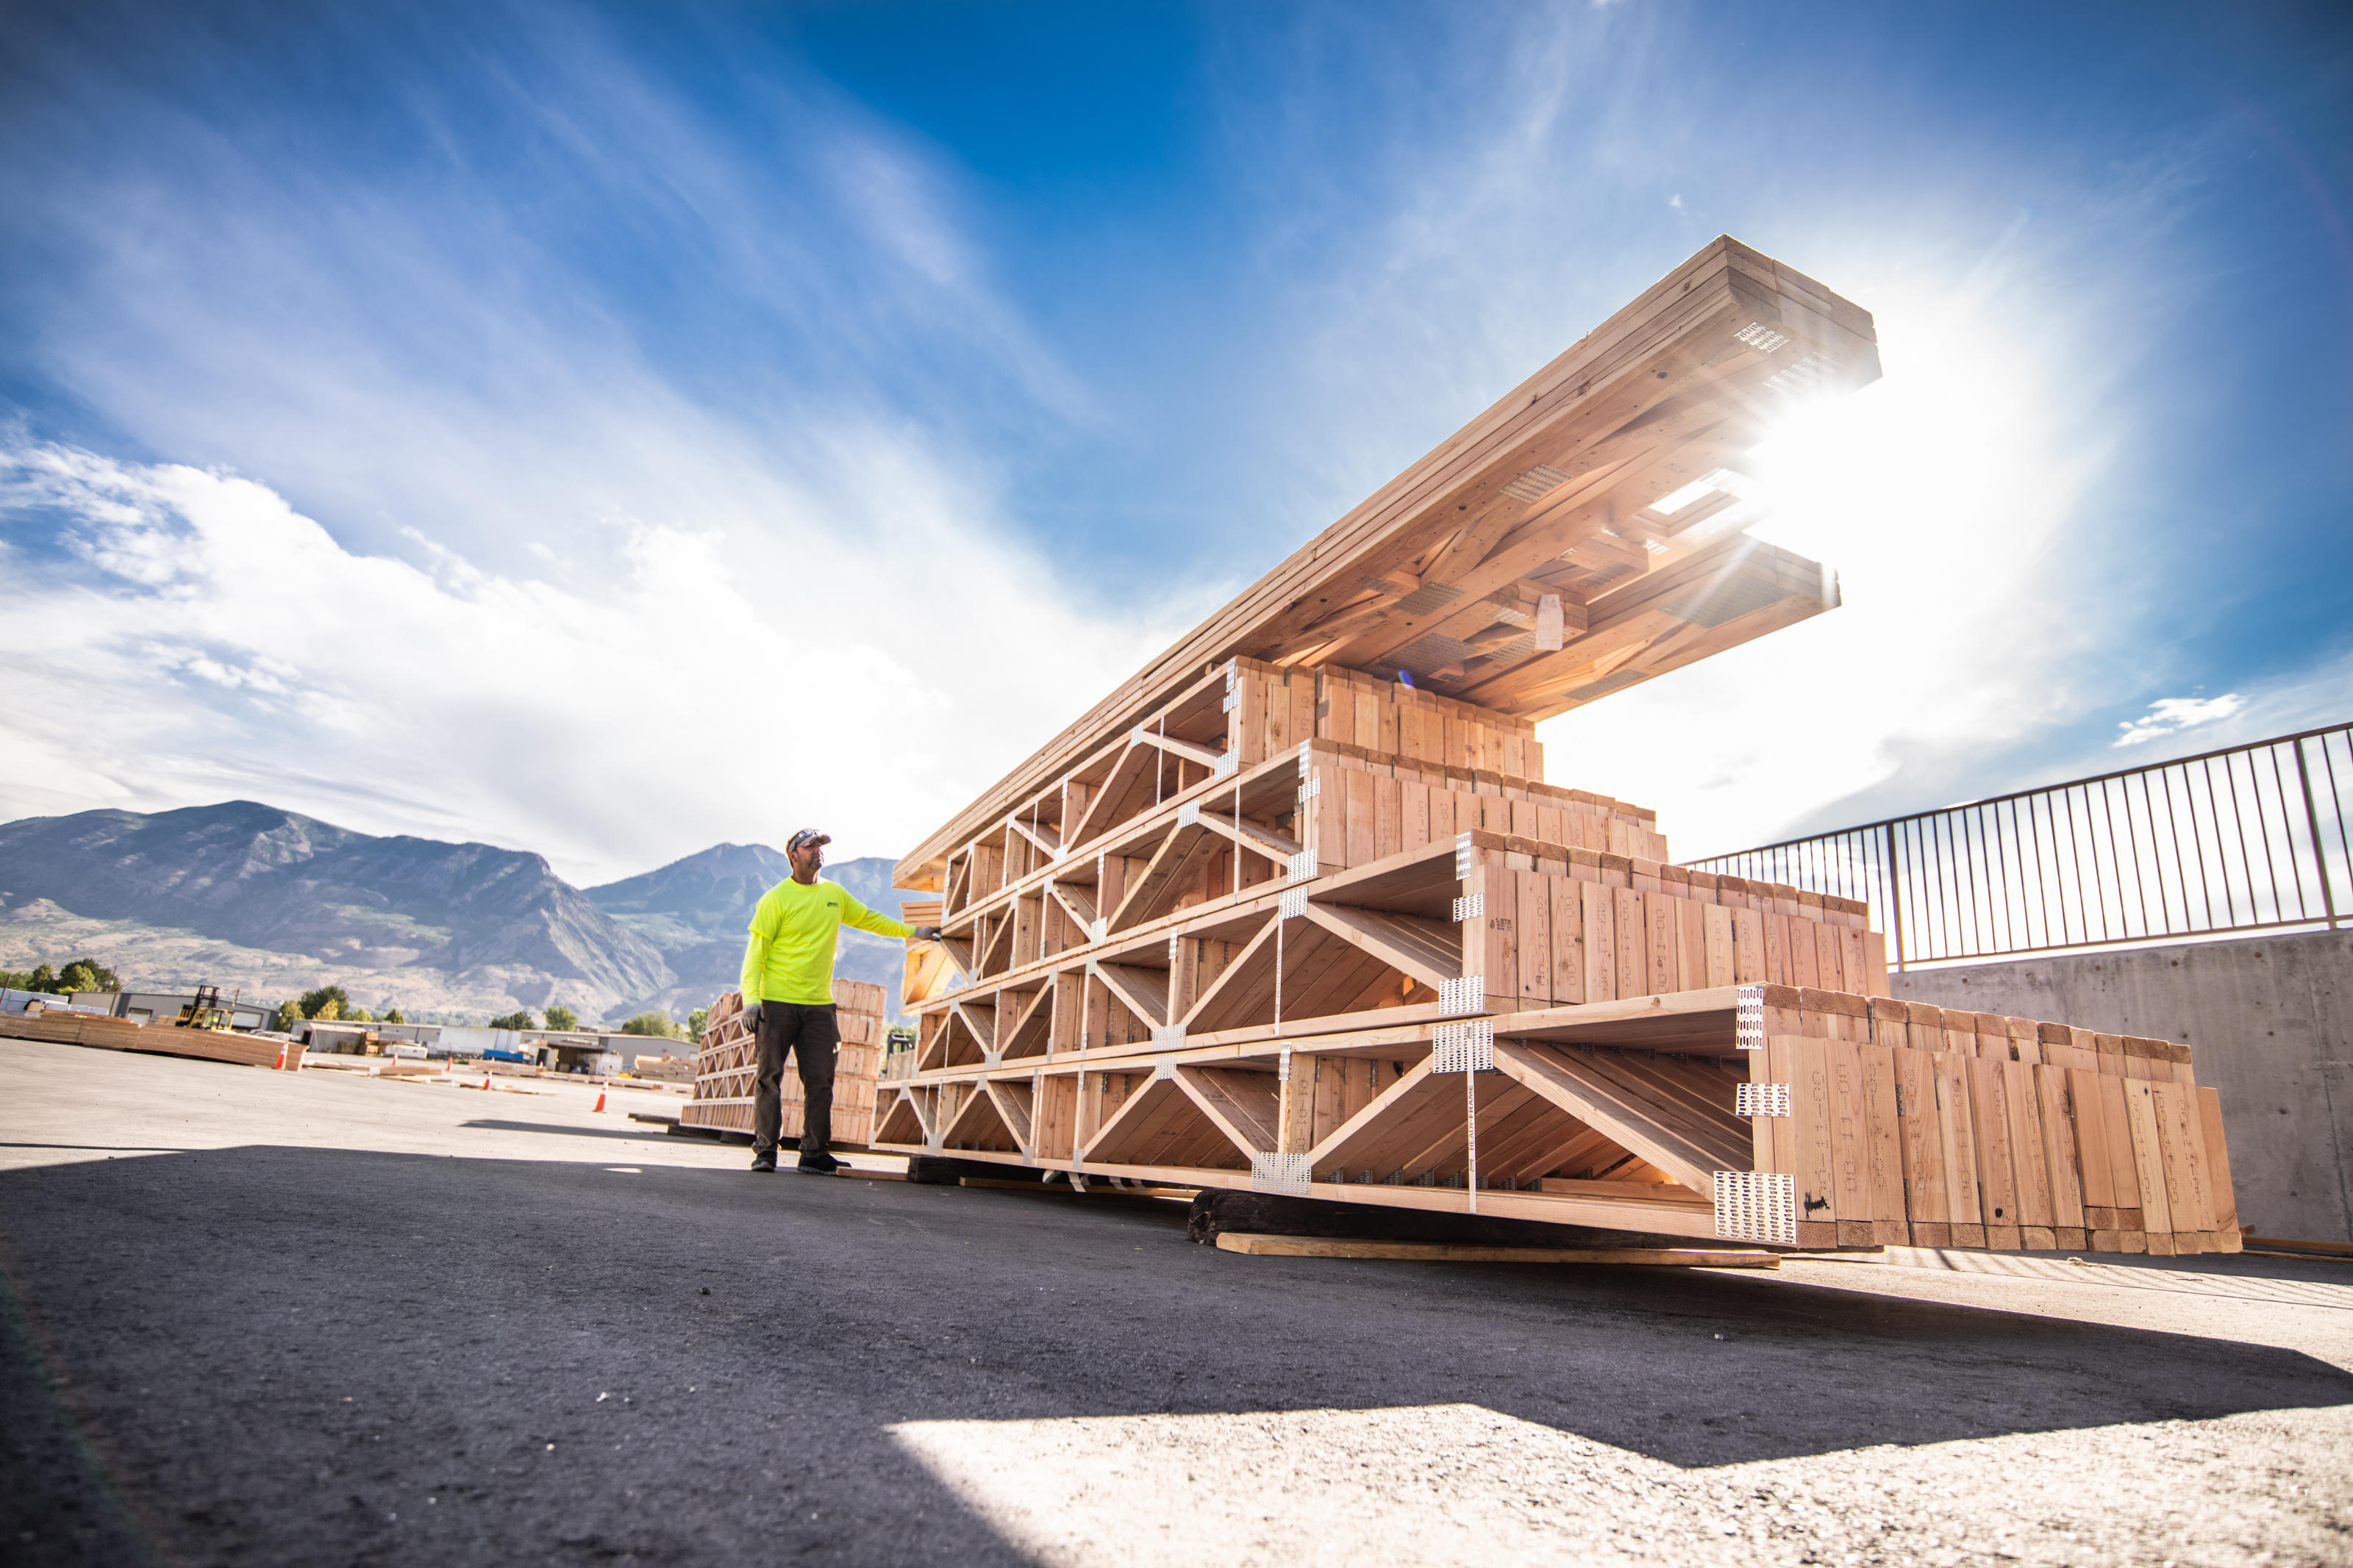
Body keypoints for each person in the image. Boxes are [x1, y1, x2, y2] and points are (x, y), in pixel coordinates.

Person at [740, 829, 940, 1173]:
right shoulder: (776, 899)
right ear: (793, 855)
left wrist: (913, 933)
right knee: (768, 1079)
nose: (818, 851)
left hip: (819, 1005)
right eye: (810, 846)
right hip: (776, 1003)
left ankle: (814, 1154)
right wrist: (751, 999)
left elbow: (869, 919)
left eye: (821, 846)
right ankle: (765, 1152)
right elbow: (755, 955)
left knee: (821, 1081)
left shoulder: (834, 894)